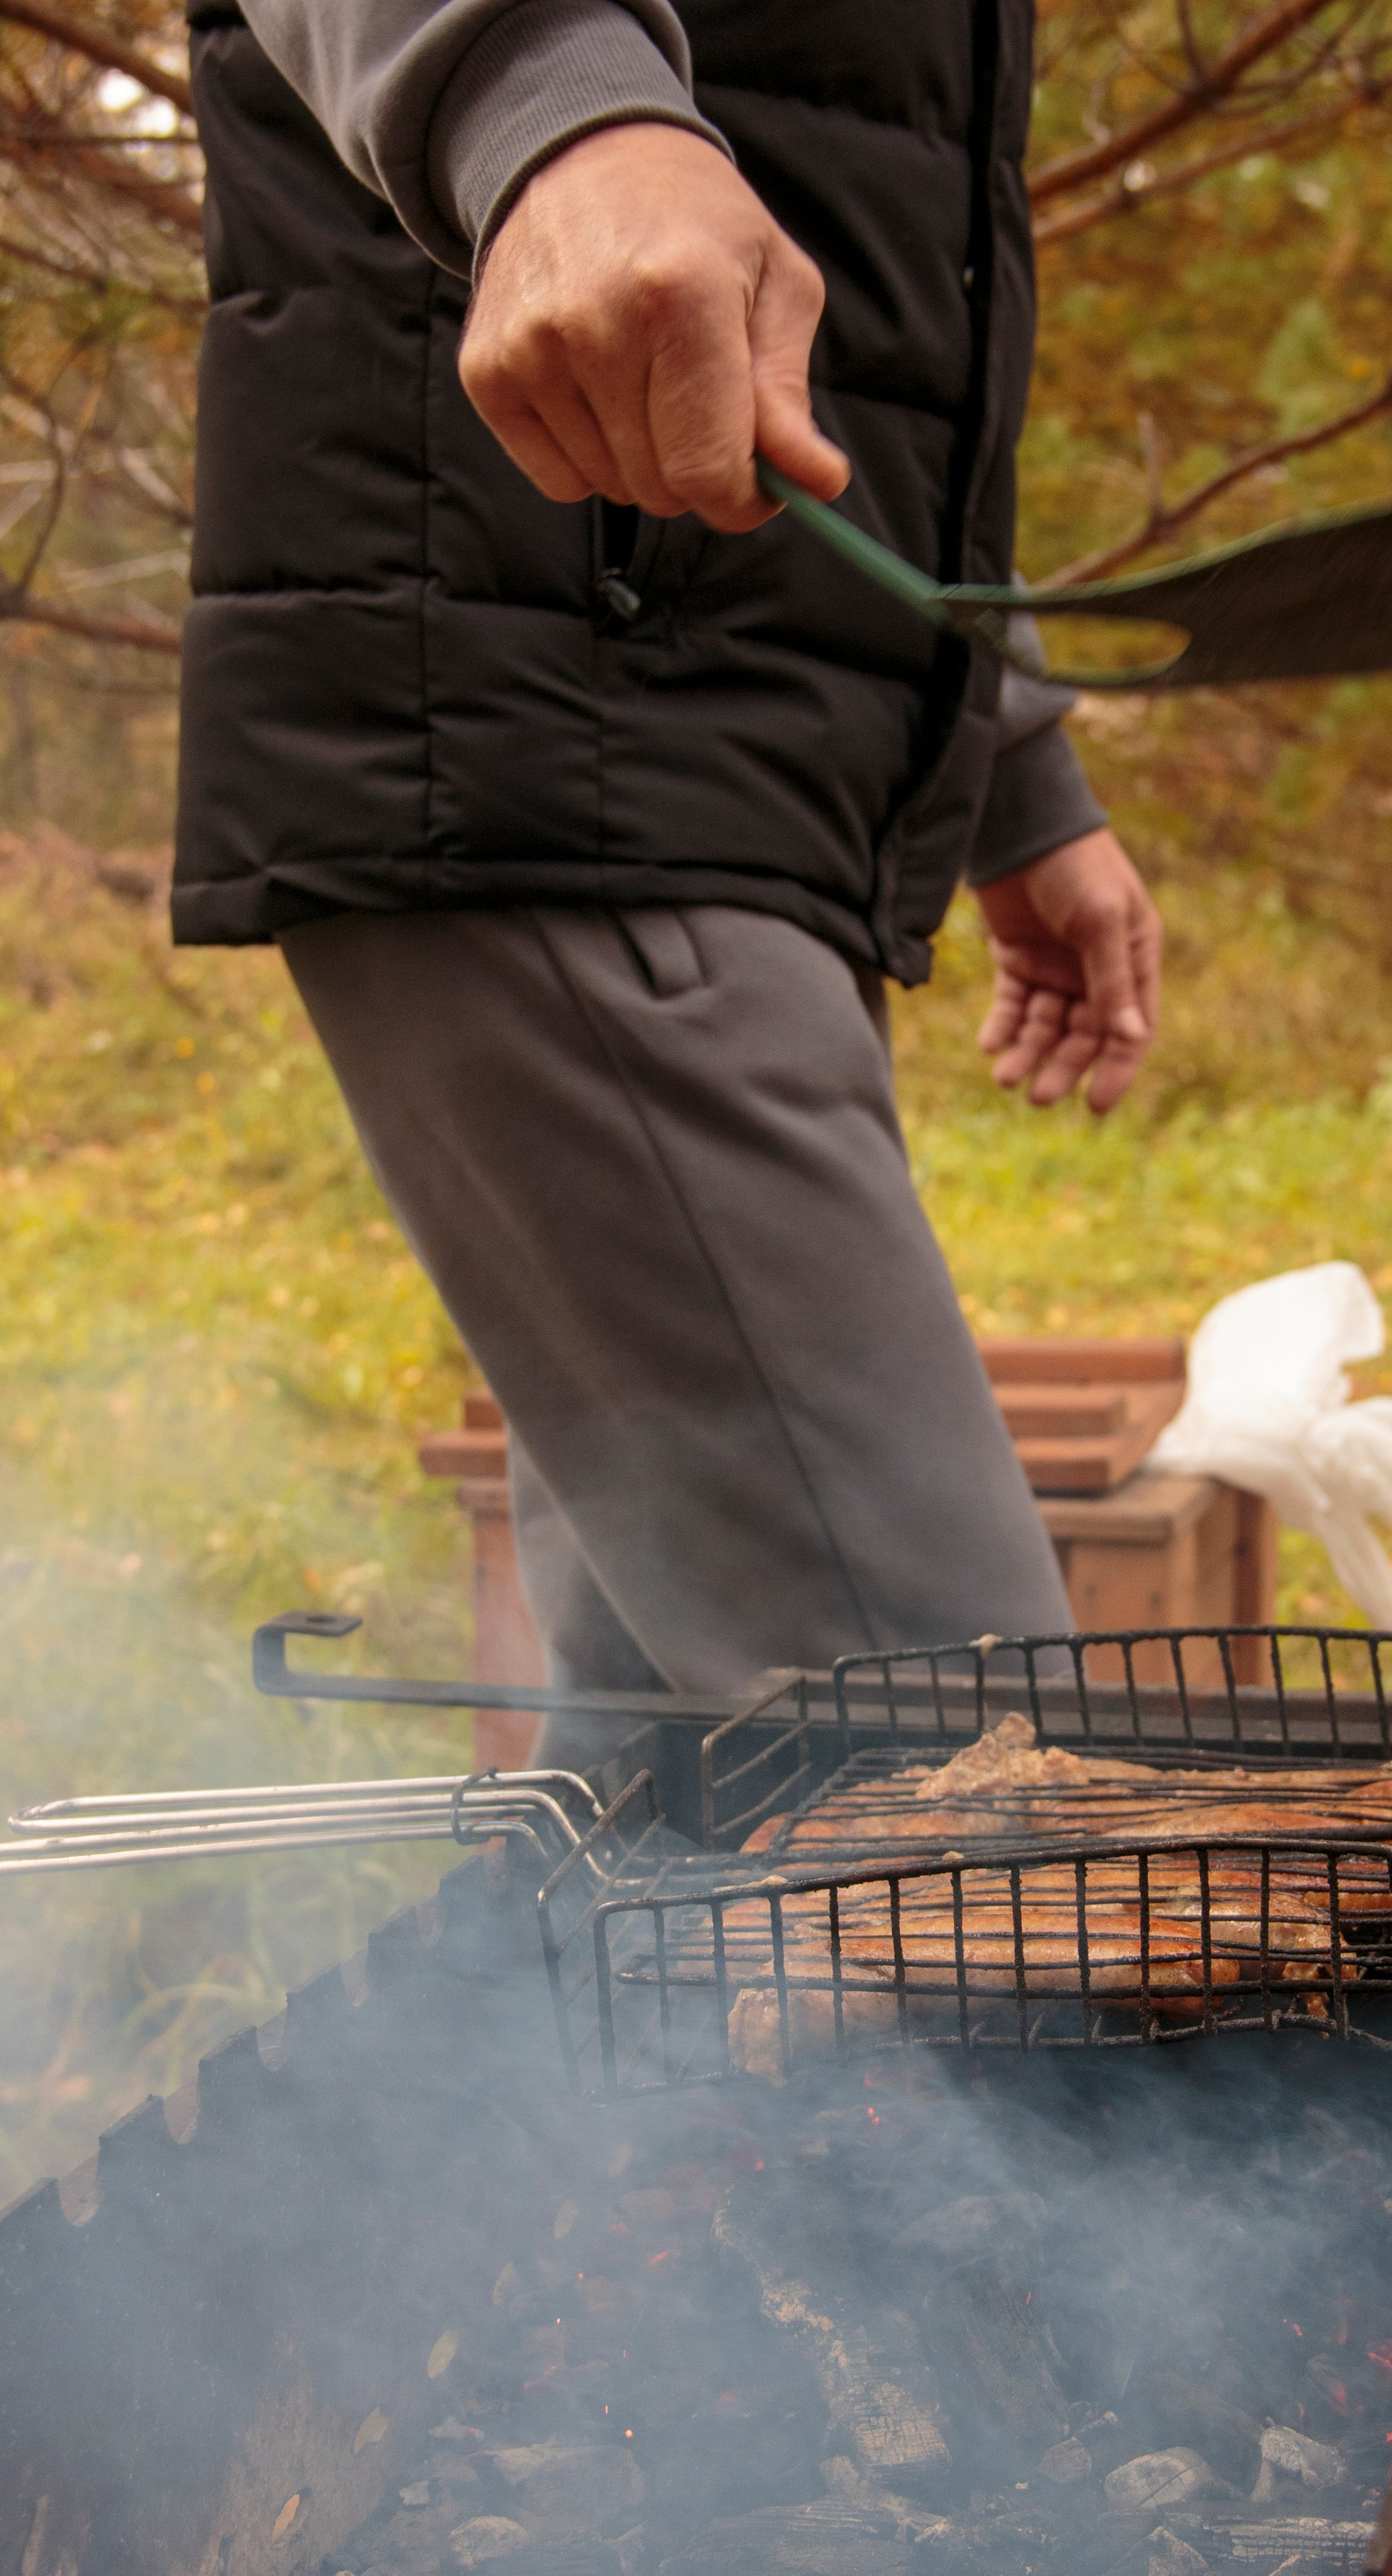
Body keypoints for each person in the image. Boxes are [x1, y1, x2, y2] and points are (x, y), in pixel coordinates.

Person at [175, 0, 1164, 1752]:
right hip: (553, 690)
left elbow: (842, 213)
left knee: (688, 1795)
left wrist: (999, 751)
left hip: (713, 726)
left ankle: (567, 2031)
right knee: (964, 1775)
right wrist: (542, 99)